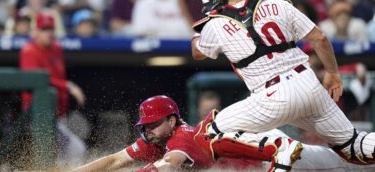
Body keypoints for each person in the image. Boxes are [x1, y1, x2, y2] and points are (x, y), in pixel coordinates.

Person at [190, 0, 375, 170]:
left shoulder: (215, 23)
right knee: (354, 146)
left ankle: (278, 149)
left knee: (208, 134)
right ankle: (284, 152)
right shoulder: (277, 3)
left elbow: (198, 52)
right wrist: (333, 72)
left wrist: (206, 16)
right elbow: (320, 38)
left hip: (271, 98)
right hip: (309, 84)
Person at [73, 95, 375, 172]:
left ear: (172, 119)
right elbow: (113, 161)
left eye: (153, 124)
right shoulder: (157, 138)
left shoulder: (181, 138)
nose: (148, 130)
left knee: (352, 161)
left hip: (285, 161)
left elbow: (172, 163)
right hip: (264, 160)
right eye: (146, 125)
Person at [19, 12, 86, 167]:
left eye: (50, 29)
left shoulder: (56, 48)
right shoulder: (29, 50)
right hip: (38, 116)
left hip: (58, 115)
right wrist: (68, 85)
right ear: (35, 31)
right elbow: (37, 79)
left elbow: (58, 76)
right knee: (75, 150)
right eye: (44, 29)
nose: (48, 33)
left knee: (66, 156)